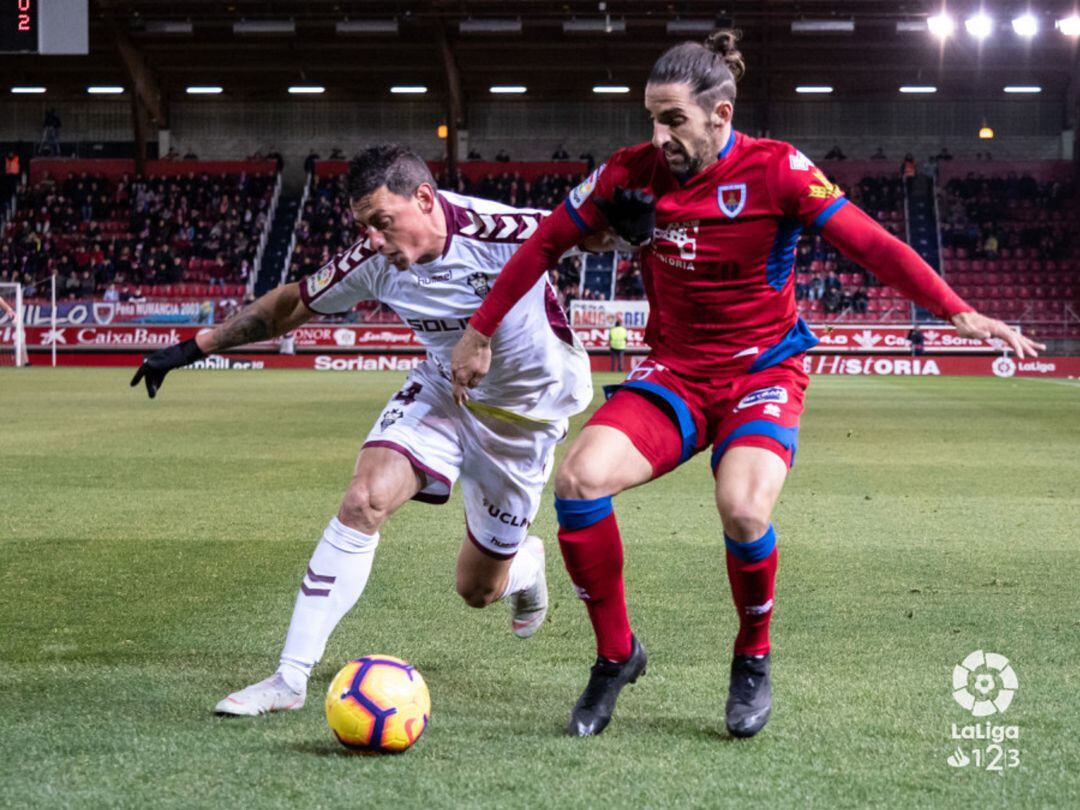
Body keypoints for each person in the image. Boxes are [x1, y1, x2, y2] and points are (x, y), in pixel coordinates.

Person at [450, 29, 1043, 739]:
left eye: (674, 119)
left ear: (721, 115)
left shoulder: (779, 172)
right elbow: (547, 239)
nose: (659, 134)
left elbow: (871, 244)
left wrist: (957, 310)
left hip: (763, 369)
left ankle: (752, 654)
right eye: (651, 118)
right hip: (676, 372)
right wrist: (480, 330)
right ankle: (616, 657)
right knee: (578, 482)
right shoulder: (629, 173)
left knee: (743, 509)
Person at [131, 145, 595, 716]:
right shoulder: (372, 262)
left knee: (478, 591)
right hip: (443, 397)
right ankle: (290, 678)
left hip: (525, 425)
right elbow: (287, 308)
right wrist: (191, 347)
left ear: (423, 199)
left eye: (382, 222)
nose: (373, 239)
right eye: (364, 227)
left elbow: (598, 229)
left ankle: (525, 562)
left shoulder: (503, 231)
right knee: (363, 499)